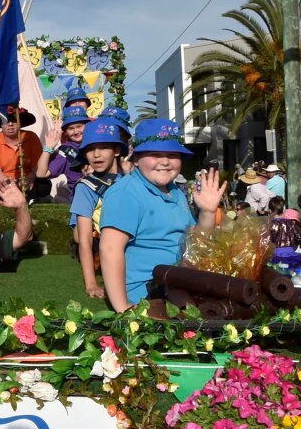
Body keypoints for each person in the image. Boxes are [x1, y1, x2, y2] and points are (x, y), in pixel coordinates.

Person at [99, 118, 226, 311]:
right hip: (147, 295)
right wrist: (123, 308)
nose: (165, 161)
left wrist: (208, 212)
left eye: (172, 154)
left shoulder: (174, 191)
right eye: (155, 154)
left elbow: (197, 245)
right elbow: (109, 249)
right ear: (136, 157)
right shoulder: (126, 193)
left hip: (180, 286)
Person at [68, 119, 126, 298]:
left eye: (103, 147)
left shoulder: (132, 181)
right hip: (102, 245)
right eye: (90, 149)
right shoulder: (86, 186)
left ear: (116, 150)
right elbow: (84, 240)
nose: (97, 154)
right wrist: (91, 283)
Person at [0, 104, 51, 203]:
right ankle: (21, 200)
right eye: (5, 121)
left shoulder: (31, 137)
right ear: (1, 125)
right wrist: (10, 184)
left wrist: (27, 180)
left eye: (14, 121)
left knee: (45, 184)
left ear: (20, 123)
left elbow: (36, 168)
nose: (10, 124)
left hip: (27, 183)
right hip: (5, 183)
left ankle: (10, 200)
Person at [36, 105, 92, 202]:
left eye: (79, 126)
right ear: (65, 131)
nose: (76, 131)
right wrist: (48, 148)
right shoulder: (65, 151)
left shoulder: (99, 142)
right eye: (71, 128)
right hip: (82, 200)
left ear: (87, 125)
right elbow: (41, 173)